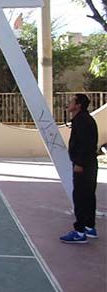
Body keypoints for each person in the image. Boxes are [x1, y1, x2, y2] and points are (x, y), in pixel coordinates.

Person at [60, 94, 99, 244]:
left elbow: (86, 145)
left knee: (81, 197)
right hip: (89, 164)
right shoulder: (82, 120)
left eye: (72, 101)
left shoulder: (82, 121)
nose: (69, 104)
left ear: (78, 105)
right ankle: (90, 227)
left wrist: (80, 163)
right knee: (88, 195)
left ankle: (80, 231)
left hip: (84, 165)